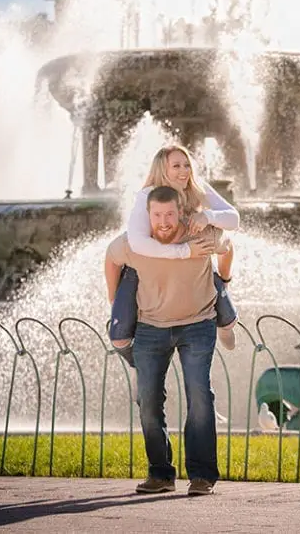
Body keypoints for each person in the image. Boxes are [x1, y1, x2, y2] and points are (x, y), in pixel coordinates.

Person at [104, 185, 226, 496]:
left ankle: (202, 476)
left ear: (180, 212)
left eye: (169, 214)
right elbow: (110, 256)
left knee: (200, 397)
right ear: (148, 215)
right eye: (157, 215)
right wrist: (114, 298)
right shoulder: (135, 243)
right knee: (147, 402)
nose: (164, 221)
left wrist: (224, 280)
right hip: (150, 327)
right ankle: (160, 474)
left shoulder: (199, 233)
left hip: (197, 325)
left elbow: (228, 246)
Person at [108, 144, 240, 366]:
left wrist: (207, 216)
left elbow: (233, 219)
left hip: (190, 260)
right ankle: (138, 364)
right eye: (176, 166)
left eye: (187, 165)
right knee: (119, 335)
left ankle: (226, 323)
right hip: (147, 265)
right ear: (162, 170)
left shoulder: (196, 187)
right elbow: (138, 243)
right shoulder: (148, 195)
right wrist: (184, 252)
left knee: (208, 261)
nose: (184, 171)